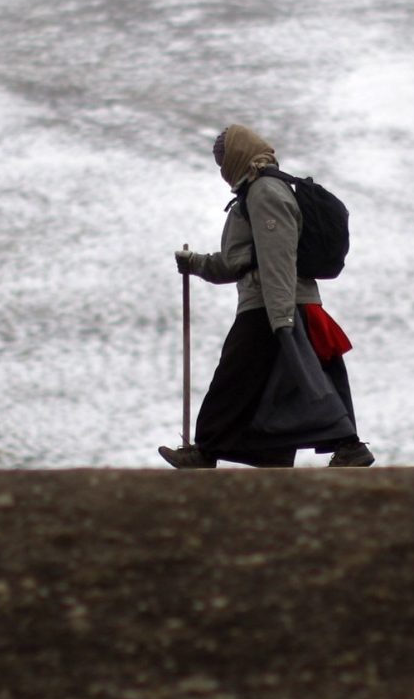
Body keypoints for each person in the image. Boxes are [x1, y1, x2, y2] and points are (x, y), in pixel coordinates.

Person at [160, 124, 373, 469]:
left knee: (235, 379)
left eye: (223, 159)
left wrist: (280, 317)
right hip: (280, 302)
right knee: (306, 377)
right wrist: (196, 264)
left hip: (273, 304)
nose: (221, 168)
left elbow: (278, 256)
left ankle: (207, 451)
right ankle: (336, 447)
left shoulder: (265, 192)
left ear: (238, 156)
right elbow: (237, 262)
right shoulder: (252, 193)